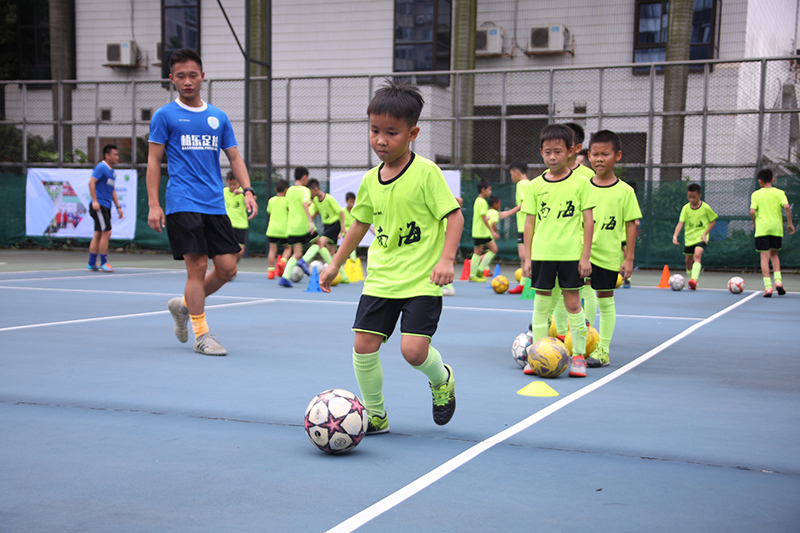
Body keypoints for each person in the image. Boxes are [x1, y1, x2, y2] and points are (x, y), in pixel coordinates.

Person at [319, 79, 463, 434]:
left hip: (421, 280)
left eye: (391, 133)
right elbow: (358, 225)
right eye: (374, 131)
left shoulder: (426, 173)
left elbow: (455, 216)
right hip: (381, 278)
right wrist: (335, 263)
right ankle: (375, 415)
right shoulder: (370, 180)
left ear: (412, 133)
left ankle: (441, 379)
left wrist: (446, 260)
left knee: (413, 352)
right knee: (363, 345)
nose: (380, 140)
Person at [146, 48, 257, 356]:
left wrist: (248, 189)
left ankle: (184, 305)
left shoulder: (218, 117)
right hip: (183, 200)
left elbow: (234, 157)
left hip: (214, 203)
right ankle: (202, 334)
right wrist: (154, 204)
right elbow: (154, 161)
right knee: (196, 268)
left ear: (202, 77)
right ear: (172, 79)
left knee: (227, 269)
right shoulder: (165, 116)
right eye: (181, 76)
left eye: (192, 75)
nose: (187, 81)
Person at [522, 123, 594, 378]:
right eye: (547, 152)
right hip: (542, 255)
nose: (552, 157)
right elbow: (529, 223)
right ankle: (537, 354)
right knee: (541, 306)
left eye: (558, 152)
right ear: (541, 152)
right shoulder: (535, 185)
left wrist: (585, 256)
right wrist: (527, 257)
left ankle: (579, 356)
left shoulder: (581, 183)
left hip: (571, 256)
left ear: (571, 152)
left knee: (573, 304)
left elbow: (588, 221)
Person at [584, 130, 641, 367]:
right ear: (588, 155)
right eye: (595, 154)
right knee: (574, 297)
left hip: (608, 255)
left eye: (605, 154)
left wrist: (629, 258)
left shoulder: (625, 191)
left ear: (617, 156)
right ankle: (579, 345)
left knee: (605, 300)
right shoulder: (582, 187)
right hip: (581, 254)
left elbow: (631, 224)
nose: (599, 159)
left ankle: (603, 350)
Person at [750, 168, 795, 297]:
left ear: (759, 181)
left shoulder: (756, 194)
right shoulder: (779, 192)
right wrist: (790, 223)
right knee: (774, 254)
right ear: (773, 179)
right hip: (776, 228)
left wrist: (754, 222)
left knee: (764, 256)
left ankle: (768, 287)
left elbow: (752, 211)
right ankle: (778, 282)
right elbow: (787, 206)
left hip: (762, 229)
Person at [672, 183, 716, 290]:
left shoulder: (706, 208)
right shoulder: (685, 208)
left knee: (697, 255)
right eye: (689, 197)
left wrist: (705, 234)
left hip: (701, 237)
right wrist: (675, 236)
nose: (691, 199)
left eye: (694, 197)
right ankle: (692, 280)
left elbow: (713, 221)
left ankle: (694, 280)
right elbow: (680, 223)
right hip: (689, 238)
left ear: (699, 196)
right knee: (688, 261)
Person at [87, 144, 123, 272]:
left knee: (98, 233)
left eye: (117, 155)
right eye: (115, 154)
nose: (117, 157)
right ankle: (103, 262)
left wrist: (118, 207)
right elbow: (91, 182)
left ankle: (91, 263)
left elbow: (112, 190)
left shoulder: (111, 171)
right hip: (99, 206)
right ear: (107, 155)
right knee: (106, 232)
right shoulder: (101, 167)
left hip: (106, 205)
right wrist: (95, 201)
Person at [278, 166, 316, 287]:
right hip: (303, 225)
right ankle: (303, 261)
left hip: (292, 227)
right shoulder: (305, 190)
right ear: (304, 177)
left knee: (297, 253)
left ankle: (285, 278)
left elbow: (287, 207)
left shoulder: (289, 190)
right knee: (319, 243)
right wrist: (310, 221)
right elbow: (305, 203)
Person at [307, 178, 350, 282]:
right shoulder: (316, 200)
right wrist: (309, 221)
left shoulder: (328, 198)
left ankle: (303, 261)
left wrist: (343, 227)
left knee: (319, 243)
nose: (309, 194)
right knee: (331, 253)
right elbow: (316, 211)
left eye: (310, 191)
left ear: (316, 189)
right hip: (327, 226)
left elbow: (341, 211)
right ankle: (344, 276)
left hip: (334, 225)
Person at [503, 161, 531, 294]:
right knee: (523, 256)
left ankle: (529, 284)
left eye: (511, 174)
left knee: (525, 256)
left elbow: (525, 203)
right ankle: (523, 284)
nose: (511, 177)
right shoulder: (529, 184)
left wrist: (508, 213)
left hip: (526, 225)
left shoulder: (522, 184)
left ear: (517, 172)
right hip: (524, 225)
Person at [469, 180, 498, 282]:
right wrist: (492, 231)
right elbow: (483, 218)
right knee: (477, 252)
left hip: (483, 232)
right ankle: (473, 275)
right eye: (489, 189)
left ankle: (480, 269)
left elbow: (483, 217)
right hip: (480, 232)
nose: (490, 192)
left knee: (494, 249)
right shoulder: (481, 202)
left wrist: (487, 218)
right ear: (483, 190)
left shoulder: (480, 201)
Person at [266, 179, 290, 279]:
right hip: (284, 230)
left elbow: (269, 212)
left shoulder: (271, 200)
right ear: (286, 190)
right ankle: (282, 262)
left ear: (275, 189)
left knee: (272, 250)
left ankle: (271, 271)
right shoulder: (288, 201)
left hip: (272, 229)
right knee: (288, 248)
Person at [223, 171, 248, 265]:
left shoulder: (244, 192)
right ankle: (222, 267)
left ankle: (231, 266)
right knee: (226, 249)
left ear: (239, 183)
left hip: (240, 225)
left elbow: (253, 197)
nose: (232, 186)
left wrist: (242, 192)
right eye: (230, 184)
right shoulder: (223, 192)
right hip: (227, 224)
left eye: (234, 184)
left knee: (240, 251)